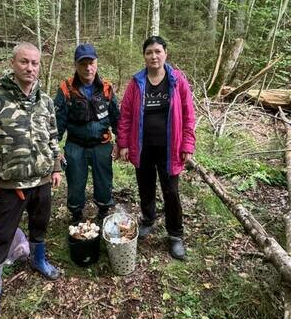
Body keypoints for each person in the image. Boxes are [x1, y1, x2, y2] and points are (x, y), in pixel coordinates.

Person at [0, 42, 63, 318]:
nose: (30, 68)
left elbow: (52, 136)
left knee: (40, 223)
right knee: (2, 233)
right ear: (13, 63)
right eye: (24, 62)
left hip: (42, 179)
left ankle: (38, 260)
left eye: (35, 63)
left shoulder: (45, 100)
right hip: (10, 183)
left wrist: (56, 167)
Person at [116, 36, 196, 260]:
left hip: (170, 148)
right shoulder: (137, 83)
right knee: (145, 187)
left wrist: (188, 144)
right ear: (144, 56)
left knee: (171, 191)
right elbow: (126, 115)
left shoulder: (177, 81)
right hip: (143, 147)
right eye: (149, 52)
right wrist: (123, 143)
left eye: (158, 51)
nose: (154, 56)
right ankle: (148, 219)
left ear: (165, 54)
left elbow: (189, 115)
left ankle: (175, 235)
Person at [54, 43, 120, 225]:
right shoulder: (66, 88)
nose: (88, 68)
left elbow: (117, 118)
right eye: (83, 64)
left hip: (102, 144)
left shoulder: (106, 88)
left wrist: (121, 142)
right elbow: (57, 121)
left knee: (104, 181)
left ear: (96, 63)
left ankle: (104, 210)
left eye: (91, 63)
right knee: (75, 183)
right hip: (75, 145)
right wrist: (55, 147)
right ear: (76, 65)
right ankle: (76, 215)